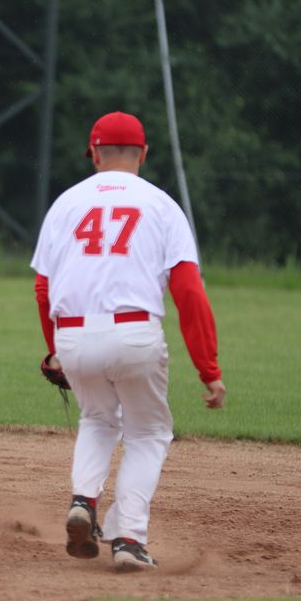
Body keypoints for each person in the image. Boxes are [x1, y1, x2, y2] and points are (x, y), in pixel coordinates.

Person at [31, 111, 226, 571]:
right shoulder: (162, 205)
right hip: (135, 331)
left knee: (98, 418)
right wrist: (209, 370)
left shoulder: (65, 204)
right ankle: (129, 538)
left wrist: (56, 347)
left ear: (95, 154)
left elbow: (43, 288)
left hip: (74, 332)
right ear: (144, 153)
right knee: (149, 431)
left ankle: (83, 499)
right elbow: (188, 292)